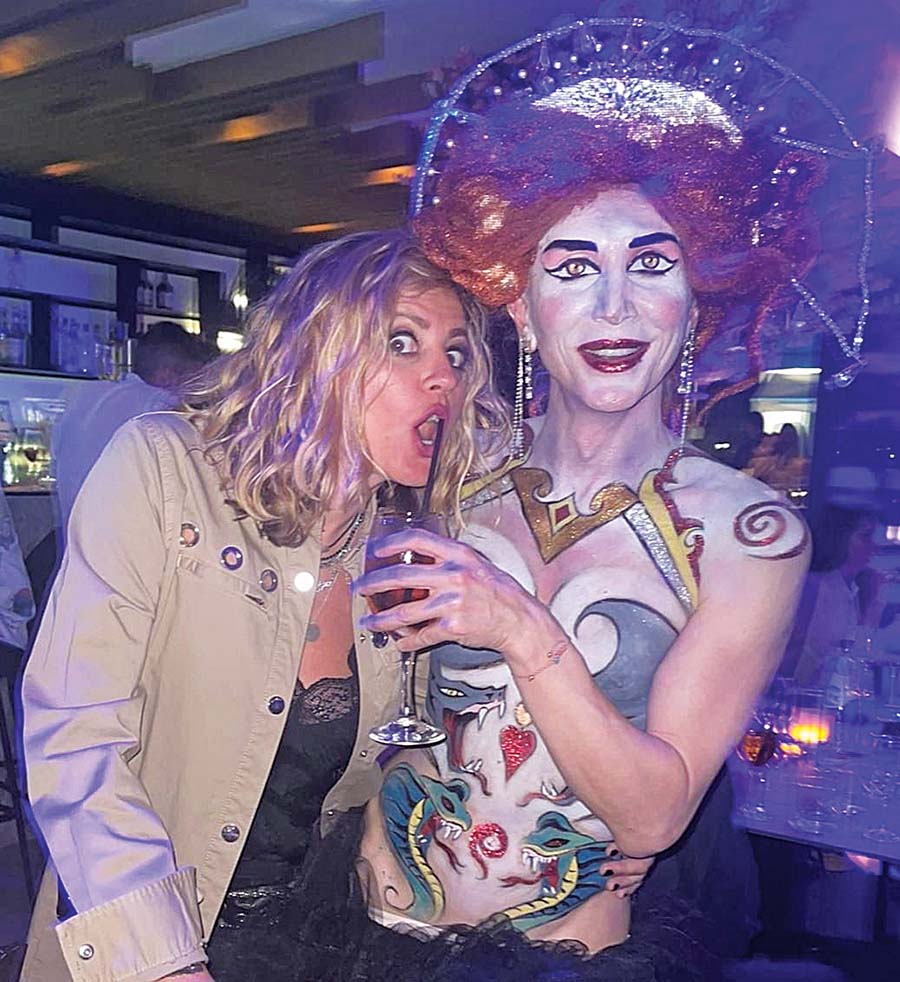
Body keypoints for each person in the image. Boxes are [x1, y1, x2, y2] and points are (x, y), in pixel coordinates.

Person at [342, 21, 826, 982]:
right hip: (366, 930)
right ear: (521, 307)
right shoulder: (443, 470)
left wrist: (520, 630)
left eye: (651, 263)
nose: (613, 306)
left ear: (696, 301)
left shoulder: (752, 536)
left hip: (567, 959)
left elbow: (652, 816)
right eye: (571, 268)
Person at [19, 230, 511, 982]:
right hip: (161, 933)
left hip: (322, 937)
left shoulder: (398, 540)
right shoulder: (164, 468)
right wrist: (163, 961)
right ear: (316, 351)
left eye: (455, 353)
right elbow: (75, 736)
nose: (443, 376)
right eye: (402, 342)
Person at [53, 320, 215, 534]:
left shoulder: (82, 396)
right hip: (132, 546)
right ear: (168, 374)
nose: (201, 392)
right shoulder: (163, 408)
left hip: (73, 545)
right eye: (196, 380)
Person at [786, 504, 886, 687]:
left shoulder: (854, 588)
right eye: (865, 537)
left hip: (833, 692)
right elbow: (801, 653)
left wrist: (872, 602)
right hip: (803, 691)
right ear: (839, 537)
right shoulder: (814, 587)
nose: (873, 546)